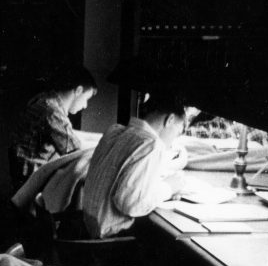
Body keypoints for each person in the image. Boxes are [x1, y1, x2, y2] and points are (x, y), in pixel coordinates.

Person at [80, 91, 191, 238]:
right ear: (169, 120)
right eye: (177, 132)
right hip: (108, 241)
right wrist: (169, 188)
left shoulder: (115, 131)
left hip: (87, 228)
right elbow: (131, 204)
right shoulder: (151, 144)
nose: (173, 142)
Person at [10, 66, 98, 188]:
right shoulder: (52, 112)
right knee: (83, 177)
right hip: (31, 176)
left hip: (23, 169)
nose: (85, 106)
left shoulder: (46, 99)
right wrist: (105, 142)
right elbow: (75, 148)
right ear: (78, 91)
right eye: (86, 99)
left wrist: (100, 137)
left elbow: (69, 133)